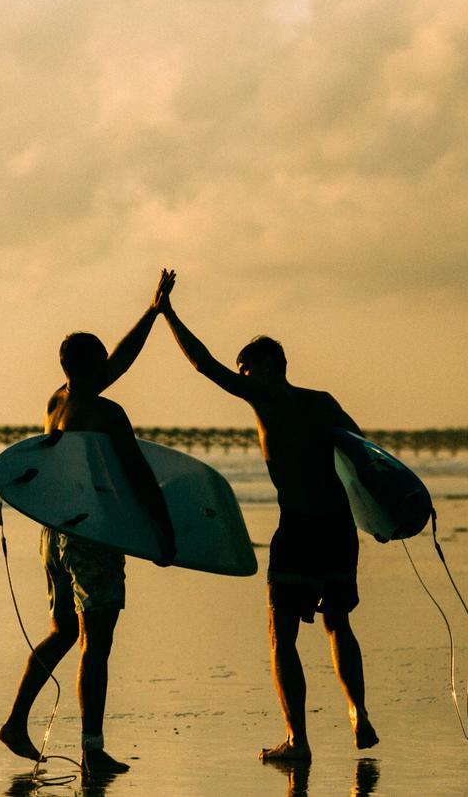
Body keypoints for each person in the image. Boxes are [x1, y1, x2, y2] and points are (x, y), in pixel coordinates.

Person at [155, 273, 378, 761]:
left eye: (248, 367)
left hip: (298, 527)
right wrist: (380, 517)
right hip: (338, 527)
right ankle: (357, 710)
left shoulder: (266, 396)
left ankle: (297, 740)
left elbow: (204, 365)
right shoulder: (323, 403)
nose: (243, 375)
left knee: (281, 634)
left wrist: (167, 313)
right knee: (338, 622)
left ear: (271, 367)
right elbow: (365, 457)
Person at [0, 273, 177, 776]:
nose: (112, 369)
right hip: (91, 537)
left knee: (63, 632)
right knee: (95, 645)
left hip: (52, 534)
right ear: (91, 367)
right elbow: (140, 477)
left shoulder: (58, 400)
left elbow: (117, 360)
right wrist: (163, 532)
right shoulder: (107, 414)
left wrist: (153, 311)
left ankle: (15, 722)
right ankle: (92, 748)